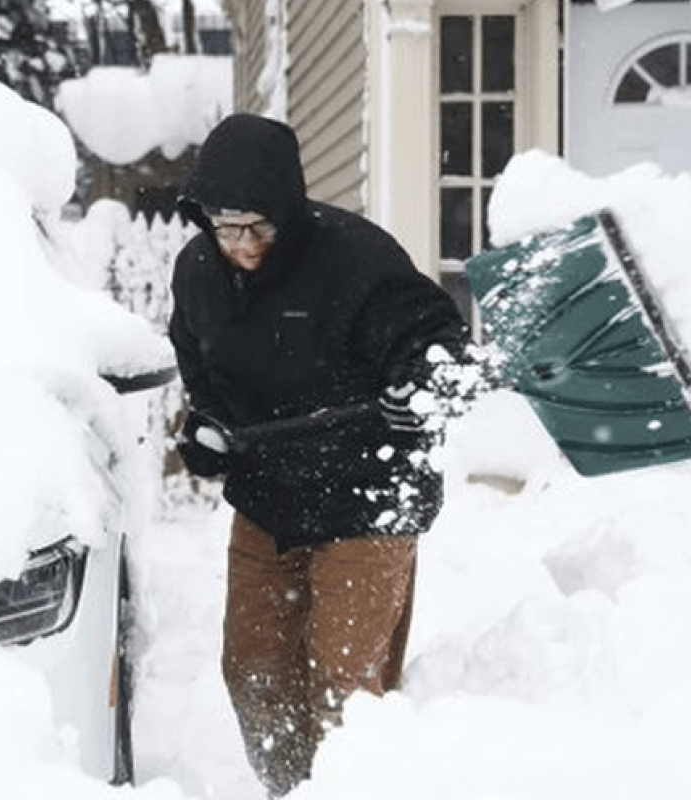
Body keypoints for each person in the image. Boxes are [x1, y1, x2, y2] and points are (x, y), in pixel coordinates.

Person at [167, 113, 470, 796]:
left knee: (344, 684)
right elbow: (202, 375)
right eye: (226, 227)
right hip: (270, 497)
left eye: (258, 227)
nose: (242, 245)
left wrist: (422, 378)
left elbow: (433, 338)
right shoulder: (197, 274)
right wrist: (207, 429)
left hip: (370, 493)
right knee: (254, 671)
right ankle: (289, 788)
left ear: (286, 212)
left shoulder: (357, 260)